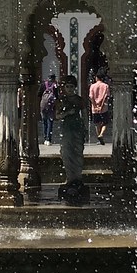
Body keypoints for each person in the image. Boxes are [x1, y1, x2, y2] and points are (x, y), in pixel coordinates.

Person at [56, 74, 88, 202]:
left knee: (78, 153)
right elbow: (57, 116)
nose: (69, 89)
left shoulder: (79, 100)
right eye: (67, 86)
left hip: (77, 129)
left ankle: (77, 178)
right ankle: (69, 178)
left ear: (75, 87)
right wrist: (67, 113)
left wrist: (85, 128)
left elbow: (85, 115)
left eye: (71, 87)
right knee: (66, 153)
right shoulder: (61, 100)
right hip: (67, 129)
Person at [89, 70, 110, 145]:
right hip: (104, 108)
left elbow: (91, 97)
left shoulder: (92, 86)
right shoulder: (105, 86)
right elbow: (106, 97)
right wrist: (101, 106)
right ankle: (101, 134)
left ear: (97, 77)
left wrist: (95, 106)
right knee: (104, 123)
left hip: (94, 108)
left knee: (97, 123)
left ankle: (99, 135)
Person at [39, 73, 58, 145]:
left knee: (44, 122)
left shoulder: (43, 84)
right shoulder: (55, 85)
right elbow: (57, 96)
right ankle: (48, 139)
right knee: (50, 121)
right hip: (51, 107)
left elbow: (39, 94)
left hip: (43, 105)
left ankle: (45, 138)